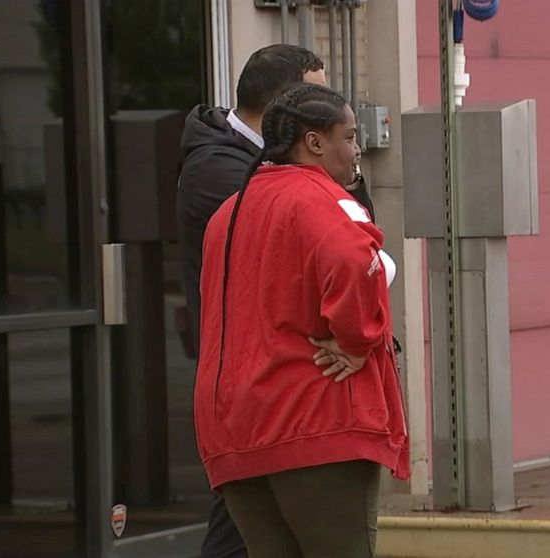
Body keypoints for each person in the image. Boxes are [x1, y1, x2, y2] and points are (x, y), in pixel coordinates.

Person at [194, 83, 409, 558]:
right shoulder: (325, 200)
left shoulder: (228, 212)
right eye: (350, 137)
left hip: (233, 428)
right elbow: (360, 262)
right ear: (314, 142)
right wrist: (357, 341)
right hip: (314, 423)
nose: (357, 150)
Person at [177, 44, 325, 558]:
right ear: (285, 106)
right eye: (317, 99)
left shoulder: (277, 163)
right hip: (244, 373)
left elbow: (356, 235)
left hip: (273, 368)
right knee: (243, 520)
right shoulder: (217, 170)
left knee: (257, 519)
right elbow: (313, 243)